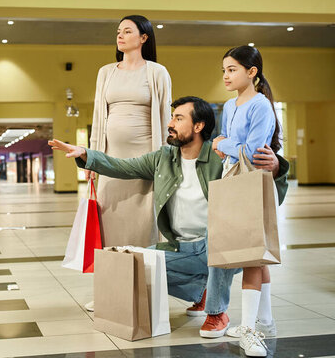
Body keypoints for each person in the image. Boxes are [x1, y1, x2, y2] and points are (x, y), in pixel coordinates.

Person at [48, 96, 289, 343]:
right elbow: (123, 167)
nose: (170, 123)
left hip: (221, 247)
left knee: (217, 240)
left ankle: (217, 313)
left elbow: (254, 182)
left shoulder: (220, 157)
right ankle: (201, 291)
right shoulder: (164, 157)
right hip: (181, 248)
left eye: (178, 118)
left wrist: (277, 168)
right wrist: (86, 155)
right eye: (172, 117)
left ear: (198, 126)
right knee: (139, 265)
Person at [85, 15, 171, 312]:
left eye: (127, 31)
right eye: (118, 31)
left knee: (142, 228)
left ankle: (141, 291)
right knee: (108, 227)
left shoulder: (157, 72)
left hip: (144, 162)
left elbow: (164, 118)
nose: (120, 36)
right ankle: (108, 291)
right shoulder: (106, 72)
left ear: (143, 37)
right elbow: (99, 118)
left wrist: (163, 162)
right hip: (109, 162)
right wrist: (92, 160)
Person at [212, 46, 281, 357]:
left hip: (253, 182)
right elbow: (231, 146)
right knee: (255, 252)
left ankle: (250, 329)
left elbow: (252, 151)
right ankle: (265, 321)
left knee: (253, 255)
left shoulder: (261, 105)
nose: (226, 75)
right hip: (234, 181)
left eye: (232, 69)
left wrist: (223, 144)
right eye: (224, 70)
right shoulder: (229, 105)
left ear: (251, 72)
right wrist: (228, 145)